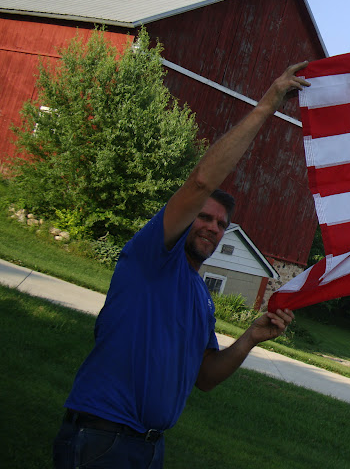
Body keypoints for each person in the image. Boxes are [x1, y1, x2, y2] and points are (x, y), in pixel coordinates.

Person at [52, 61, 310, 469]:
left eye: (221, 224)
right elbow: (200, 183)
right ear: (184, 216)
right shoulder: (150, 256)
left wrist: (250, 338)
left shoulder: (199, 296)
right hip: (103, 439)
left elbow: (205, 377)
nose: (212, 227)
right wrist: (270, 101)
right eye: (203, 217)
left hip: (150, 447)